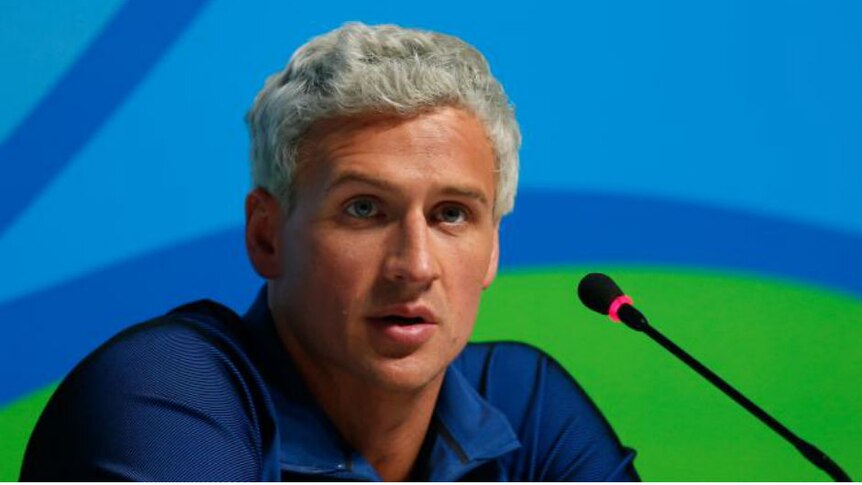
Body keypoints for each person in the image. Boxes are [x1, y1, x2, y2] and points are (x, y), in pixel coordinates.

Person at [21, 23, 638, 481]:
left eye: (452, 214)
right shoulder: (166, 391)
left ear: (494, 249)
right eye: (364, 209)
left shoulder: (521, 405)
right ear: (267, 235)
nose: (415, 266)